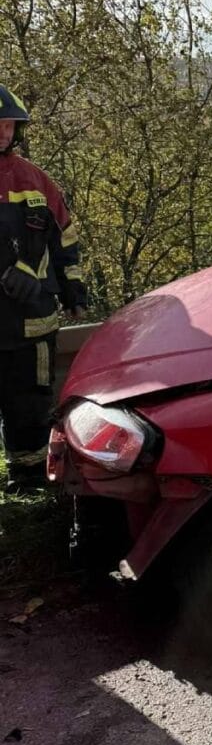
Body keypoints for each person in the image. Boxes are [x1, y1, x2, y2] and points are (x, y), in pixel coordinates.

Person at [0, 85, 87, 491]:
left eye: (9, 124)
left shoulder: (35, 179)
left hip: (33, 322)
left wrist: (73, 290)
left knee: (31, 403)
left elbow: (64, 239)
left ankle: (29, 479)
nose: (4, 132)